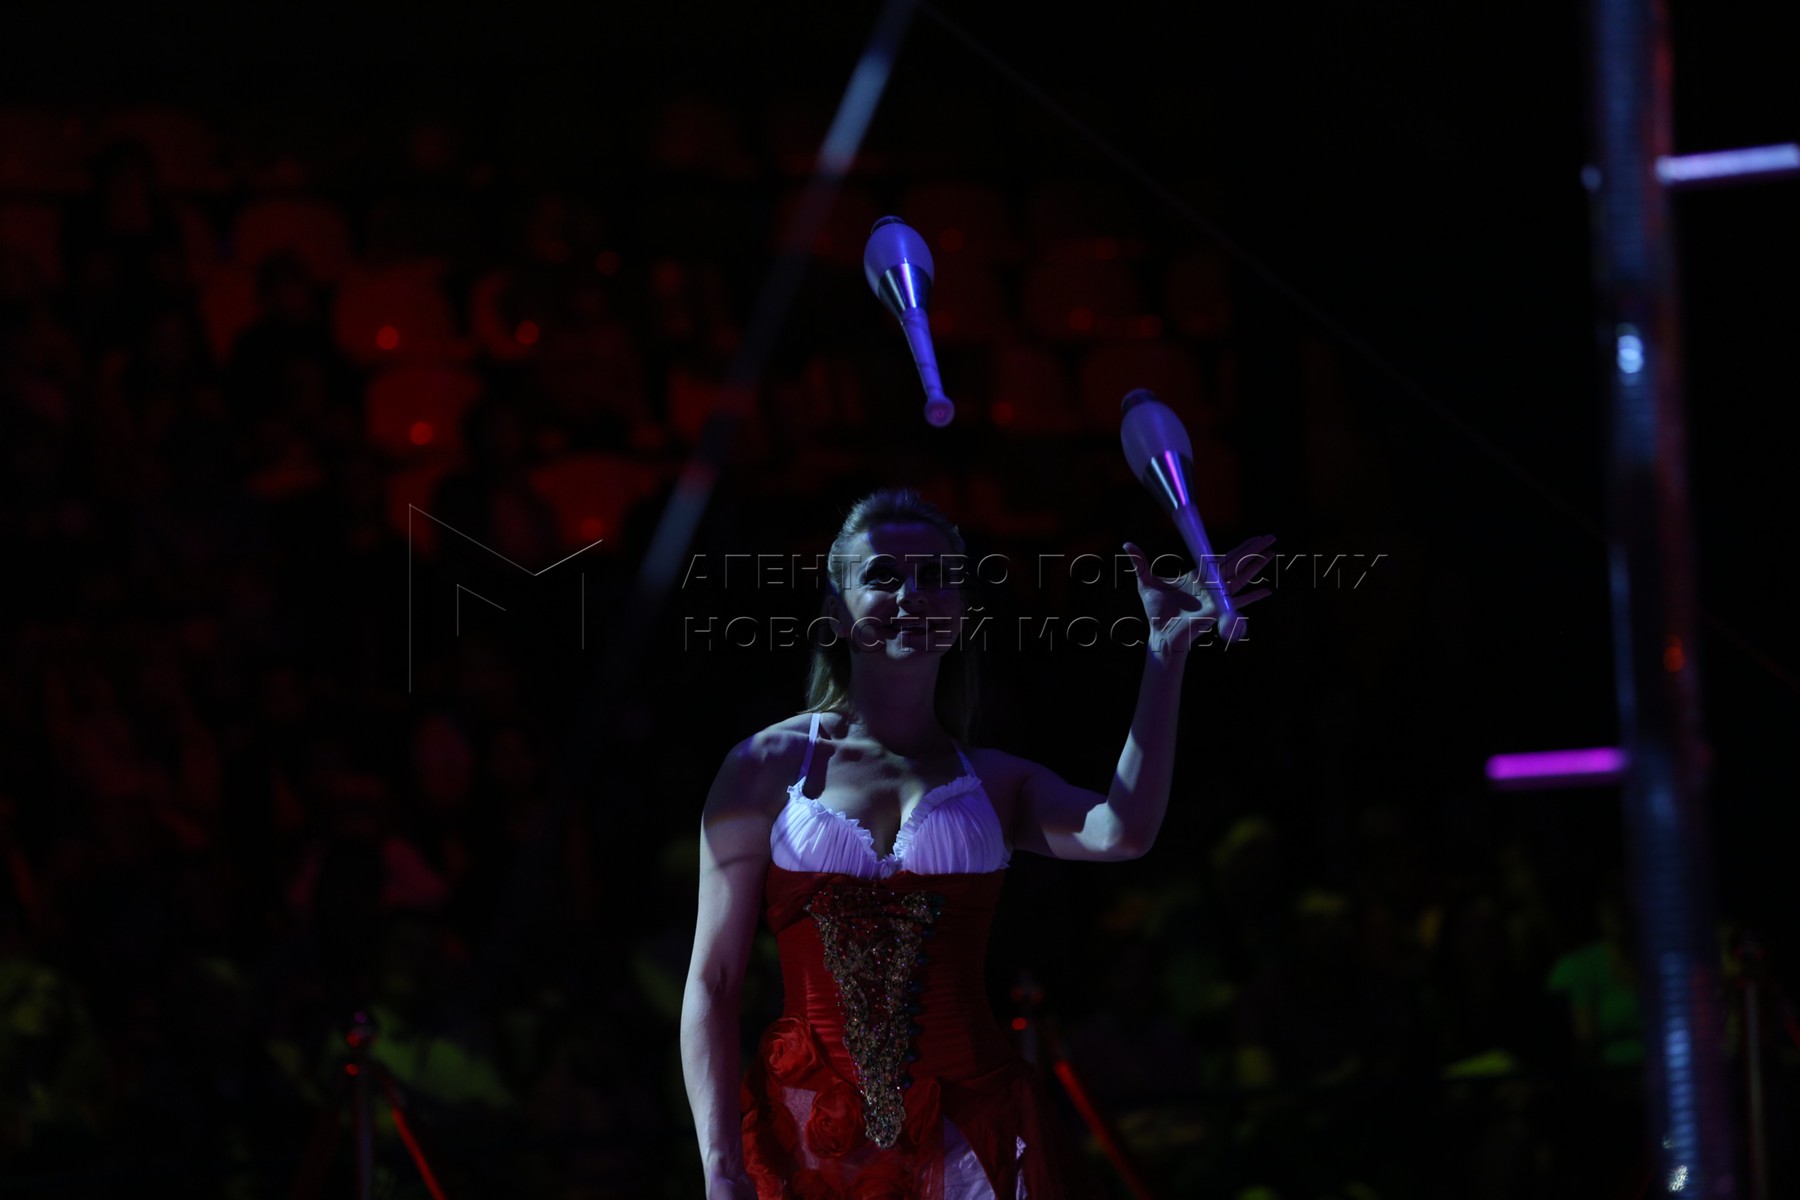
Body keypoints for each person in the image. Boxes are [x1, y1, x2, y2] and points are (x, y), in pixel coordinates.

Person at [681, 488, 1273, 1199]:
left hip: (971, 1141)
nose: (912, 594)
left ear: (961, 612)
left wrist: (1165, 653)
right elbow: (713, 981)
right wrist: (720, 1163)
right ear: (835, 612)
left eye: (935, 576)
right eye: (883, 575)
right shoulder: (763, 765)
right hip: (808, 1137)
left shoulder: (996, 780)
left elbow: (1122, 832)